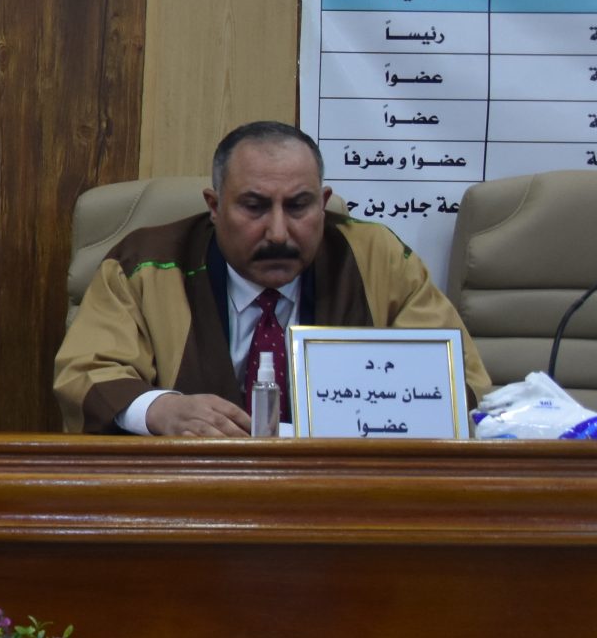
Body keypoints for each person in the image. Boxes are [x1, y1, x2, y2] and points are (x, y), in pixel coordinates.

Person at [55, 120, 492, 436]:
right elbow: (87, 371)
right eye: (255, 207)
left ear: (323, 203)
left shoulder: (379, 259)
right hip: (192, 494)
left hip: (343, 494)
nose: (279, 232)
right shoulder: (145, 265)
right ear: (214, 206)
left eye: (299, 206)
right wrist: (160, 410)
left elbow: (460, 383)